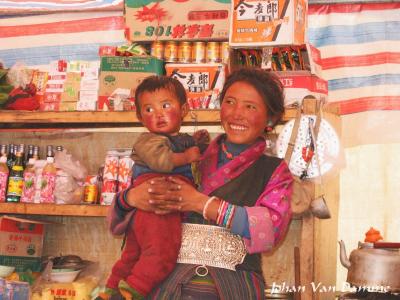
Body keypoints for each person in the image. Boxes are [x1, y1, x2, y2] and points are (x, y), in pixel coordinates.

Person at [108, 67, 293, 299]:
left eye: (250, 106)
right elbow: (118, 218)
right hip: (168, 286)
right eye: (230, 102)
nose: (237, 114)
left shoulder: (275, 171)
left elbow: (269, 231)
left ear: (269, 118)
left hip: (235, 288)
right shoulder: (190, 154)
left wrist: (201, 203)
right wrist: (130, 198)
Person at [101, 76, 209, 300]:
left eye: (166, 105)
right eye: (149, 109)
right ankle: (132, 292)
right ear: (141, 118)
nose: (158, 114)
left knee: (133, 254)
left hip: (147, 213)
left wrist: (198, 143)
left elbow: (193, 153)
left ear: (184, 110)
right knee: (161, 254)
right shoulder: (147, 141)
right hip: (159, 208)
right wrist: (188, 155)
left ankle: (110, 290)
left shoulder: (180, 139)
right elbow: (162, 161)